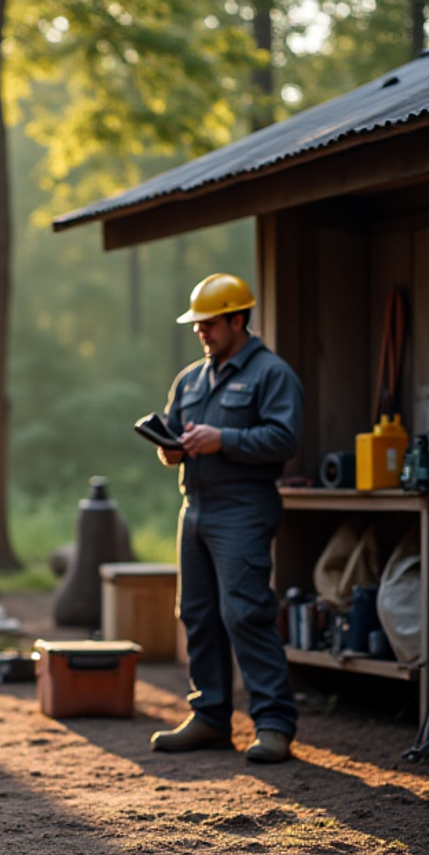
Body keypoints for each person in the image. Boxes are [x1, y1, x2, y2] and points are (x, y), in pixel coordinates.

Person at [148, 273, 304, 764]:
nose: (201, 331)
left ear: (239, 320)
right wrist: (171, 450)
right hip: (194, 507)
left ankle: (274, 724)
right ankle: (211, 718)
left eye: (210, 323)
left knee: (245, 612)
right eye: (197, 324)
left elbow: (285, 439)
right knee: (196, 613)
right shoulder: (190, 379)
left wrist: (224, 440)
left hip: (243, 508)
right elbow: (174, 435)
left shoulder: (272, 374)